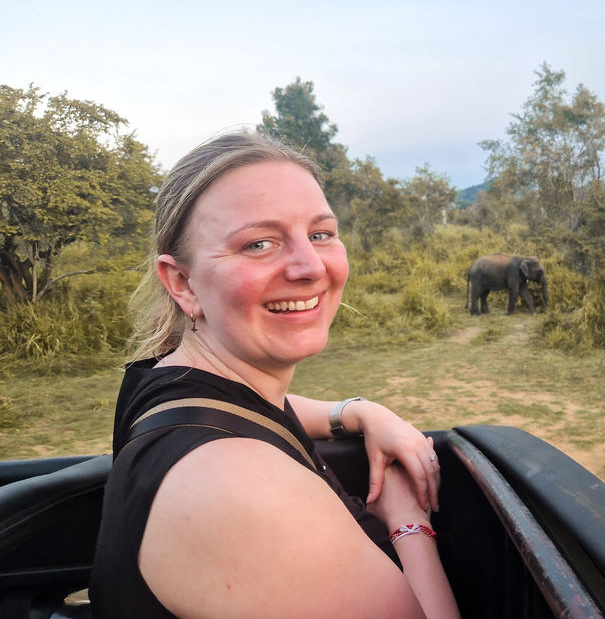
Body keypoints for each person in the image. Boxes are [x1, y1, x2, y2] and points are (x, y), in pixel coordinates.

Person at [90, 132, 461, 619]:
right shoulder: (237, 489)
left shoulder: (169, 385)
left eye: (321, 234)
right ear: (182, 282)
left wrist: (358, 412)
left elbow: (261, 409)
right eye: (259, 243)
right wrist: (407, 516)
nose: (310, 266)